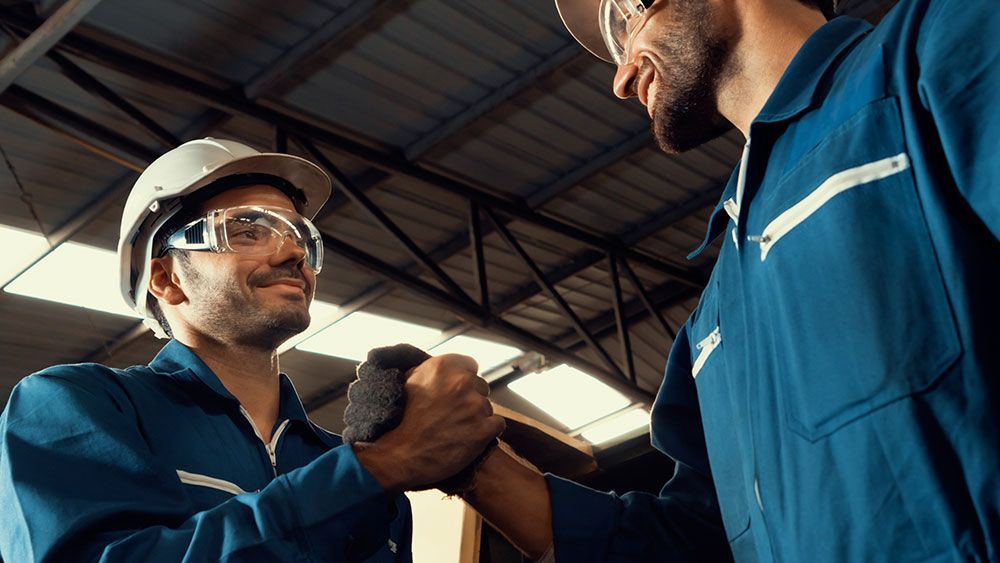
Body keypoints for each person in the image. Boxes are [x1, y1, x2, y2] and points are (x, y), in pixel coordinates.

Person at [458, 0, 1000, 561]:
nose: (620, 79)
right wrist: (471, 464)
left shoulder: (938, 48)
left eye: (626, 16)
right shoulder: (714, 318)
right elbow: (694, 543)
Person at [0, 138, 504, 562]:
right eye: (246, 231)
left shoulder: (344, 461)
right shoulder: (78, 404)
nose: (292, 253)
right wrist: (376, 470)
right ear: (167, 278)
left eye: (300, 236)